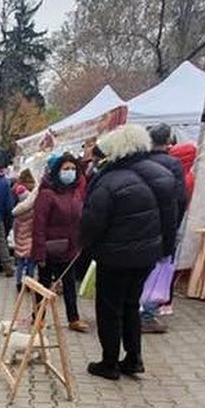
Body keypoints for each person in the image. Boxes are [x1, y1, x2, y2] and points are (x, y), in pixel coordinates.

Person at [80, 125, 178, 381]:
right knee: (131, 304)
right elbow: (171, 218)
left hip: (114, 256)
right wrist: (165, 250)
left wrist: (86, 248)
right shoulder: (163, 173)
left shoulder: (109, 180)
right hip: (147, 255)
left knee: (109, 308)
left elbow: (93, 221)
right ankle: (133, 358)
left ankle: (109, 361)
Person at [140, 125, 189, 334]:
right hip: (163, 226)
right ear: (168, 140)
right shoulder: (173, 165)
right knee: (157, 272)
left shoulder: (139, 162)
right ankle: (147, 314)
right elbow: (179, 199)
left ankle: (134, 310)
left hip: (140, 226)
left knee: (138, 270)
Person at [32, 154, 89, 332]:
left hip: (70, 249)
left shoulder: (76, 193)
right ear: (57, 171)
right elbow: (38, 225)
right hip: (49, 249)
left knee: (70, 285)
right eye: (66, 169)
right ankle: (38, 318)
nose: (70, 172)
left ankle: (74, 318)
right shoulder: (47, 194)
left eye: (73, 169)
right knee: (43, 284)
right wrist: (40, 252)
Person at [11, 171, 38, 292]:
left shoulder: (17, 214)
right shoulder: (34, 212)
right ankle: (29, 283)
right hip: (31, 242)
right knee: (31, 264)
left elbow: (15, 230)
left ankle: (18, 283)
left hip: (20, 242)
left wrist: (16, 242)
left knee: (20, 265)